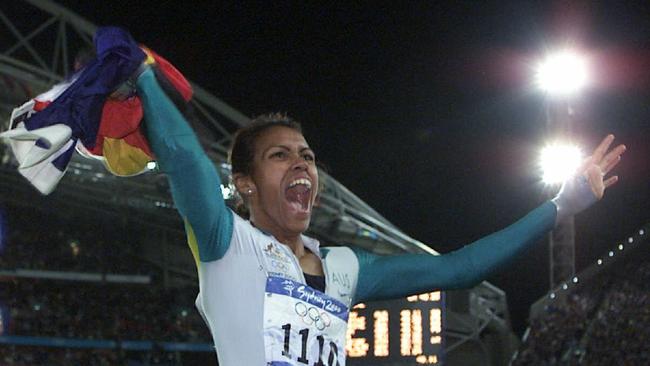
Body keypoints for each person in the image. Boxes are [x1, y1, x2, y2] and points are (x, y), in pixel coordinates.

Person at [134, 65, 625, 365]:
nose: (301, 162)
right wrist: (143, 78)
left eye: (305, 155)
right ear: (244, 183)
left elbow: (460, 269)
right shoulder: (227, 245)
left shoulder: (345, 268)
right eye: (279, 156)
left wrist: (561, 207)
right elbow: (185, 159)